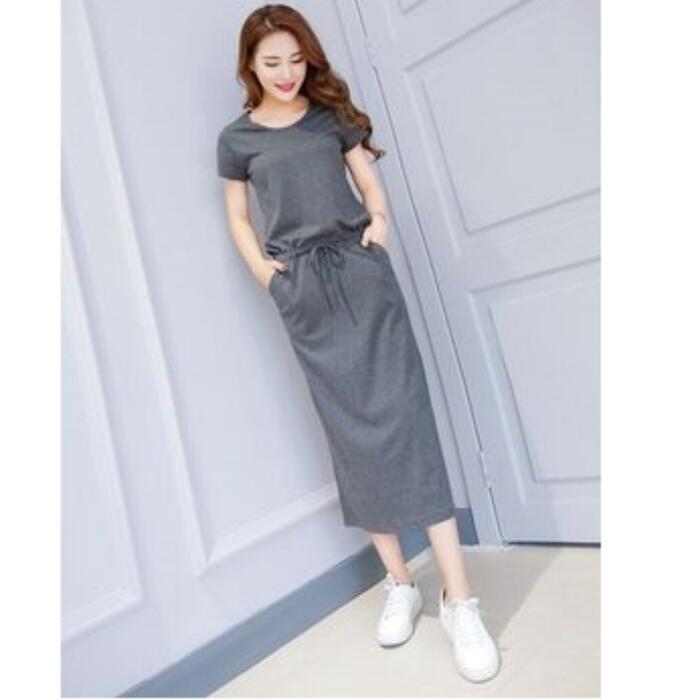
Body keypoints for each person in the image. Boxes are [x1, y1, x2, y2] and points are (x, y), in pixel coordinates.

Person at [216, 3, 499, 683]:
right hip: (305, 296)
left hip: (362, 278)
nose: (287, 73)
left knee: (408, 427)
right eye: (271, 62)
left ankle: (460, 599)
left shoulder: (329, 117)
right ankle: (400, 583)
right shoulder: (237, 139)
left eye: (296, 59)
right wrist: (268, 277)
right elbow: (237, 216)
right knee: (353, 437)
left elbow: (370, 183)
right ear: (250, 66)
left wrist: (378, 223)